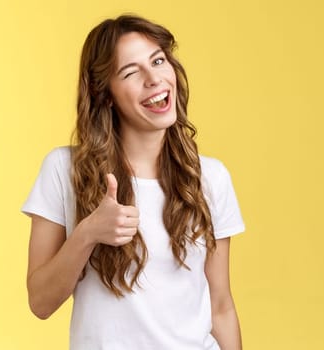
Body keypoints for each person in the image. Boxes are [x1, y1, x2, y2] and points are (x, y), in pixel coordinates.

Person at [21, 14, 245, 350]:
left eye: (158, 61)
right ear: (106, 95)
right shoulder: (64, 170)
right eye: (130, 72)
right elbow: (40, 301)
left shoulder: (210, 178)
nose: (153, 78)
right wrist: (88, 233)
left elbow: (221, 305)